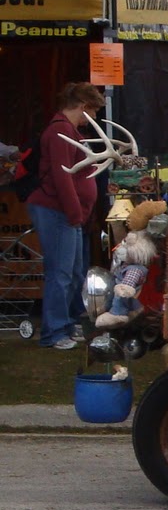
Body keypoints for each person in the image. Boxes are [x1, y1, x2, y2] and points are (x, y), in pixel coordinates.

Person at [27, 82, 105, 350]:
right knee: (61, 272)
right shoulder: (60, 131)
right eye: (93, 111)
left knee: (73, 271)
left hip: (68, 213)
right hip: (57, 211)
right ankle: (55, 332)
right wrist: (75, 213)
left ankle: (67, 324)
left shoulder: (68, 130)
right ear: (83, 107)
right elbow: (62, 178)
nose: (94, 118)